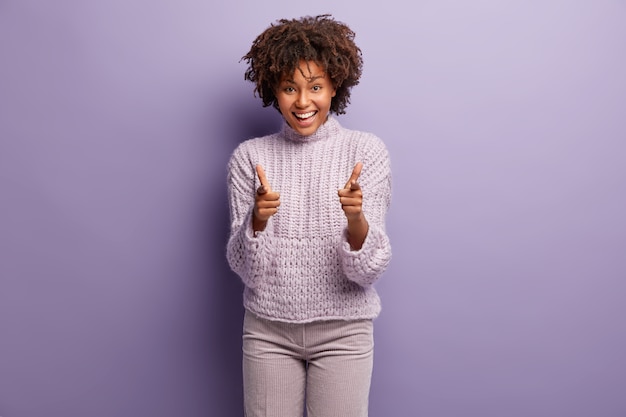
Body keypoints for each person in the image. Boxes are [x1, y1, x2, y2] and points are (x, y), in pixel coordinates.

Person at [226, 14, 392, 417]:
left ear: (335, 85)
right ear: (274, 91)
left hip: (344, 333)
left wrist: (356, 219)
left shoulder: (366, 153)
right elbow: (244, 268)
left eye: (315, 87)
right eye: (289, 88)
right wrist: (256, 223)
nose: (303, 102)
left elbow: (367, 272)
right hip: (268, 332)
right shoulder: (250, 158)